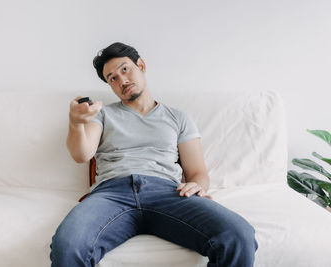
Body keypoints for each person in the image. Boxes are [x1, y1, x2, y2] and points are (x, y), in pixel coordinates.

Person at [50, 42, 258, 267]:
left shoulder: (178, 118)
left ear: (141, 66)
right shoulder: (103, 115)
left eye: (125, 69)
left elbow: (197, 172)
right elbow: (82, 154)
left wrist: (197, 185)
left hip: (168, 193)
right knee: (68, 245)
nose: (121, 80)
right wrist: (76, 122)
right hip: (111, 194)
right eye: (112, 78)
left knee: (238, 235)